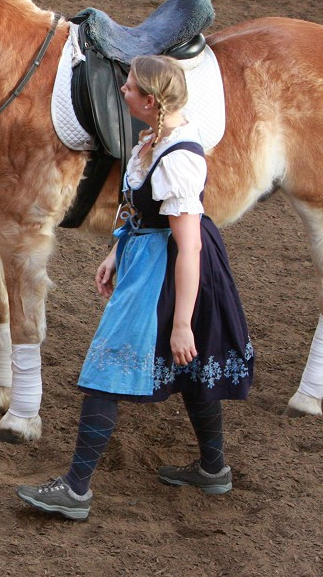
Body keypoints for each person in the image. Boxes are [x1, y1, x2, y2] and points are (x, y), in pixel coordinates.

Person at [16, 54, 254, 520]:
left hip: (174, 269)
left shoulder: (178, 158)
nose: (121, 92)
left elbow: (189, 248)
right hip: (149, 256)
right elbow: (141, 210)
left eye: (128, 88)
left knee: (108, 366)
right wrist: (114, 252)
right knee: (191, 366)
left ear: (151, 100)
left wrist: (182, 322)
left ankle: (76, 491)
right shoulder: (153, 140)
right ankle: (213, 469)